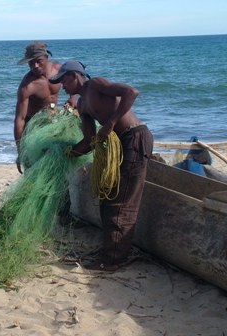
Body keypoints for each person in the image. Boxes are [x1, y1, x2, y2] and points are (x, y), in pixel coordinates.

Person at [49, 60, 153, 271]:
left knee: (121, 201)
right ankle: (113, 250)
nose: (62, 85)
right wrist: (66, 153)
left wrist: (112, 122)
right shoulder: (81, 105)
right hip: (121, 143)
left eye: (64, 80)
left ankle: (114, 259)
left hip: (134, 137)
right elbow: (90, 141)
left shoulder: (96, 85)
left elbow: (131, 92)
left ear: (76, 76)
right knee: (108, 198)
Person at [14, 41, 76, 174]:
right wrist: (20, 153)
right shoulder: (27, 86)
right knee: (36, 168)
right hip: (34, 126)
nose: (35, 66)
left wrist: (72, 98)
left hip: (53, 121)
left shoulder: (60, 70)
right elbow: (20, 119)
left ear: (46, 57)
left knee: (59, 161)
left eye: (39, 61)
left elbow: (76, 80)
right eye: (31, 63)